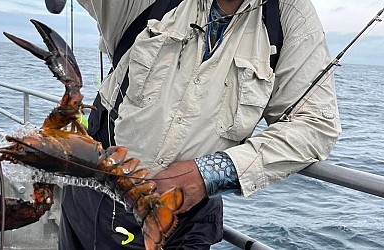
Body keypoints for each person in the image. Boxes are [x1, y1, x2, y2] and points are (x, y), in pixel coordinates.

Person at [51, 0, 341, 249]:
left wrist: (211, 173)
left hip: (187, 220)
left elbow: (316, 124)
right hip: (95, 196)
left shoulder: (289, 15)